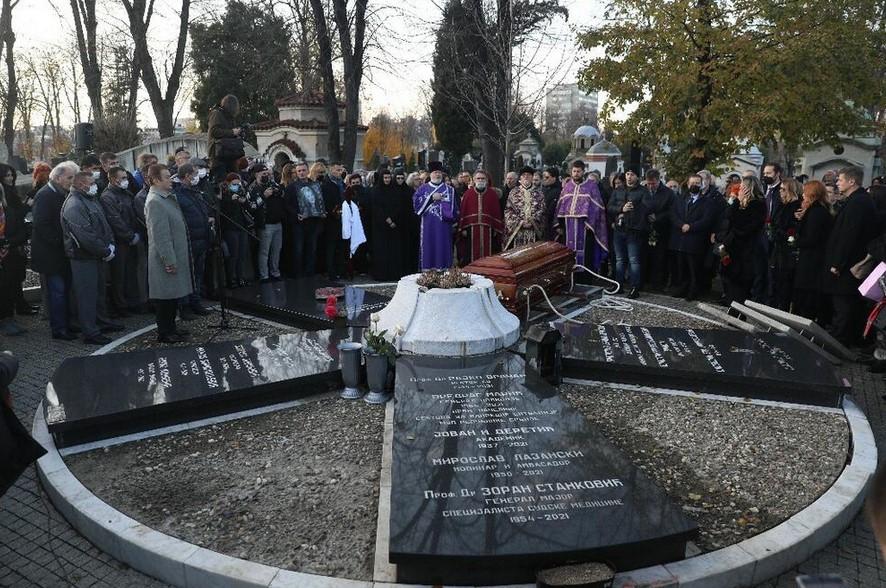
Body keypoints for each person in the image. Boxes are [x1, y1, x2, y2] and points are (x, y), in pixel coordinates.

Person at [61, 171, 120, 345]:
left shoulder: (89, 199)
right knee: (86, 296)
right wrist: (105, 251)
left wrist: (109, 245)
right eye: (91, 182)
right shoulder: (74, 205)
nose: (95, 185)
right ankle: (90, 332)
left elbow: (103, 225)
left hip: (96, 255)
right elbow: (85, 236)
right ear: (81, 185)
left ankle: (102, 322)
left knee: (98, 292)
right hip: (83, 258)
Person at [824, 166, 878, 346]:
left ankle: (841, 339)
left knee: (844, 302)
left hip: (849, 264)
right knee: (843, 302)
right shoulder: (856, 200)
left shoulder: (859, 202)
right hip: (848, 262)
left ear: (852, 181)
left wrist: (838, 264)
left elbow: (849, 236)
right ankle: (842, 335)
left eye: (840, 179)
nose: (837, 182)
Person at [144, 164, 193, 344]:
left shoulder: (165, 198)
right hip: (164, 258)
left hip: (174, 254)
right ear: (156, 180)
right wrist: (169, 260)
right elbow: (160, 236)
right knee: (165, 298)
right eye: (166, 177)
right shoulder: (155, 201)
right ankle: (164, 332)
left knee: (172, 295)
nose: (171, 180)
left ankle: (171, 327)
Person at [30, 162, 78, 340]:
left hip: (60, 252)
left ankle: (66, 324)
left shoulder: (60, 193)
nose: (72, 181)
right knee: (57, 292)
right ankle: (59, 329)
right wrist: (61, 242)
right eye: (69, 177)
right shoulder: (45, 195)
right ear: (58, 178)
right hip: (50, 254)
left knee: (64, 291)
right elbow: (41, 225)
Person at [716, 176, 767, 305]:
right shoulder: (741, 204)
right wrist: (737, 202)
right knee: (730, 280)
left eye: (742, 187)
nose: (739, 190)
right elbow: (728, 216)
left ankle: (737, 311)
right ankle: (730, 304)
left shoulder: (758, 205)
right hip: (733, 248)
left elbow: (742, 226)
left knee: (741, 285)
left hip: (746, 251)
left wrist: (738, 203)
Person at [99, 166, 141, 317]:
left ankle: (132, 302)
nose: (126, 181)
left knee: (130, 273)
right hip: (119, 242)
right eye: (122, 178)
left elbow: (133, 215)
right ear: (113, 179)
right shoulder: (107, 197)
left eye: (126, 178)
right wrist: (129, 236)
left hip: (130, 239)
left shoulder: (126, 193)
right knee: (119, 276)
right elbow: (115, 221)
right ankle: (121, 305)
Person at [556, 160, 609, 272]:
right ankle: (571, 278)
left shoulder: (591, 186)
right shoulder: (567, 186)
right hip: (568, 225)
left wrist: (591, 222)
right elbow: (560, 205)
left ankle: (585, 279)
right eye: (574, 171)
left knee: (586, 254)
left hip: (584, 227)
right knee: (568, 252)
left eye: (578, 171)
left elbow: (597, 206)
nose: (576, 174)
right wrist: (559, 225)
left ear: (583, 172)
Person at [173, 163, 212, 315]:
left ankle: (196, 302)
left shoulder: (196, 192)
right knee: (186, 275)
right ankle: (184, 306)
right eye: (195, 174)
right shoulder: (178, 195)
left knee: (198, 274)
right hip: (189, 241)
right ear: (187, 176)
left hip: (201, 239)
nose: (197, 177)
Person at [792, 180, 833, 323]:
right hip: (812, 260)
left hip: (812, 262)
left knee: (806, 299)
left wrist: (795, 242)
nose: (802, 195)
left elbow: (812, 238)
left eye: (805, 192)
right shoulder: (819, 211)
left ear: (812, 194)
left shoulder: (816, 213)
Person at [669, 174, 714, 301]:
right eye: (692, 183)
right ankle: (682, 289)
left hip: (695, 239)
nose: (695, 185)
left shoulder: (707, 201)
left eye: (697, 183)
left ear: (702, 185)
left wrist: (691, 226)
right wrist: (681, 225)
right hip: (680, 239)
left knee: (694, 268)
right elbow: (673, 214)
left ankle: (693, 291)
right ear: (688, 184)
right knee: (681, 267)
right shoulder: (680, 198)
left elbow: (707, 220)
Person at [0, 164, 36, 320]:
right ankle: (14, 310)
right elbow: (12, 218)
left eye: (11, 174)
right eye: (7, 175)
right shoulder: (5, 195)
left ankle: (20, 305)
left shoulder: (11, 192)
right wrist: (26, 207)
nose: (10, 178)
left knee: (16, 277)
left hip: (16, 241)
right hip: (11, 242)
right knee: (11, 278)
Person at [607, 167, 648, 297]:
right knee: (619, 260)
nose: (629, 177)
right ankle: (618, 285)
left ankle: (634, 287)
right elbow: (609, 207)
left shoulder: (643, 191)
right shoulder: (618, 190)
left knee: (634, 260)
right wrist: (621, 209)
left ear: (637, 176)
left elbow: (647, 209)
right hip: (619, 229)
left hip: (634, 230)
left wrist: (633, 211)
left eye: (632, 174)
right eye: (627, 174)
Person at [414, 161, 457, 269]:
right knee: (428, 247)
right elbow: (417, 208)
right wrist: (431, 198)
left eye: (439, 172)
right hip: (428, 226)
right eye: (435, 172)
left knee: (443, 247)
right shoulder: (422, 189)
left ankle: (445, 272)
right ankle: (428, 273)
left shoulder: (450, 190)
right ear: (430, 174)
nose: (437, 175)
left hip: (444, 227)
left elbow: (455, 208)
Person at [247, 163, 285, 284]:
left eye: (268, 174)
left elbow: (281, 193)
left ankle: (275, 272)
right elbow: (251, 206)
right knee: (264, 251)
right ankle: (264, 275)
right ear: (257, 174)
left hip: (278, 222)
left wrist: (276, 190)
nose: (266, 176)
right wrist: (264, 196)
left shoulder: (272, 183)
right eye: (264, 174)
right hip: (265, 224)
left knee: (276, 250)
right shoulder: (253, 188)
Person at [457, 169, 504, 264]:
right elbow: (463, 212)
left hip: (489, 230)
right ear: (474, 180)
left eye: (483, 178)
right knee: (470, 255)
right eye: (478, 178)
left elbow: (496, 213)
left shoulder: (492, 194)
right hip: (471, 230)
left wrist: (496, 228)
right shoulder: (468, 194)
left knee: (489, 254)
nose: (480, 180)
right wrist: (463, 229)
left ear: (486, 180)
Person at [770, 178, 802, 311]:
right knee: (775, 282)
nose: (780, 192)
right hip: (778, 248)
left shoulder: (796, 207)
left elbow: (791, 229)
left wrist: (781, 232)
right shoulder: (782, 205)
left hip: (787, 251)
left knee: (784, 286)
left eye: (783, 189)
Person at [370, 167, 407, 280]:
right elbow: (376, 208)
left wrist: (393, 219)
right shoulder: (376, 191)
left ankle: (393, 274)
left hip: (393, 226)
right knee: (381, 251)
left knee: (393, 251)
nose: (387, 180)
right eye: (385, 177)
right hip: (380, 227)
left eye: (389, 177)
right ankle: (381, 275)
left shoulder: (395, 190)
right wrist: (387, 219)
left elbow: (399, 207)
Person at [644, 168, 676, 290]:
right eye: (649, 183)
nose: (651, 186)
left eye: (653, 183)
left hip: (662, 230)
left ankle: (658, 283)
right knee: (646, 256)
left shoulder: (668, 193)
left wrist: (657, 217)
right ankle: (646, 281)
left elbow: (671, 211)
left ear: (658, 180)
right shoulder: (644, 191)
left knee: (660, 258)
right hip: (646, 228)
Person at [219, 173, 251, 287]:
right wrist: (231, 201)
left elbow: (248, 207)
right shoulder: (224, 194)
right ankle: (231, 279)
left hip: (242, 226)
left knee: (242, 254)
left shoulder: (242, 191)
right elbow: (223, 211)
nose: (236, 186)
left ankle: (240, 277)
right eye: (234, 184)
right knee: (233, 255)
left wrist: (243, 201)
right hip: (230, 227)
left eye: (238, 184)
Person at [504, 166, 545, 251]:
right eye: (524, 175)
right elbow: (509, 211)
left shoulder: (539, 193)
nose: (526, 176)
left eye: (529, 175)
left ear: (532, 177)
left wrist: (533, 221)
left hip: (534, 231)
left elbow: (542, 210)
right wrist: (520, 222)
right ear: (520, 177)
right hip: (518, 231)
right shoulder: (513, 192)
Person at [207, 94, 243, 183]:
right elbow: (214, 131)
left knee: (234, 179)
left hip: (230, 154)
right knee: (221, 181)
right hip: (218, 155)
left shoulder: (230, 117)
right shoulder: (217, 113)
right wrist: (232, 132)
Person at [541, 167, 562, 240]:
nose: (544, 179)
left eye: (547, 177)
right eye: (543, 177)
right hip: (543, 225)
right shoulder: (543, 190)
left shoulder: (560, 191)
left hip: (553, 226)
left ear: (554, 178)